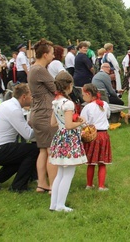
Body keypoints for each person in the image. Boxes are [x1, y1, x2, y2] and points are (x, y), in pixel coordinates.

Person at [0, 83, 39, 192]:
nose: (32, 99)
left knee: (20, 155)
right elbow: (28, 135)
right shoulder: (14, 110)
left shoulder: (8, 104)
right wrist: (40, 127)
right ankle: (18, 186)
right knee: (33, 150)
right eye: (31, 96)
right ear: (24, 97)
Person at [49, 71, 88, 212]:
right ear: (69, 85)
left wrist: (70, 121)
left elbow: (53, 123)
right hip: (69, 140)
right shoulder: (68, 103)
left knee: (60, 173)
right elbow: (69, 125)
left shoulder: (56, 102)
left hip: (60, 138)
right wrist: (80, 122)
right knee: (68, 174)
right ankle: (60, 205)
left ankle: (54, 204)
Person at [27, 39, 58, 194]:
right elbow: (55, 89)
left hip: (38, 114)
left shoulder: (33, 69)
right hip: (46, 114)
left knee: (43, 151)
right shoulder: (40, 70)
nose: (53, 56)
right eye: (52, 53)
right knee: (51, 150)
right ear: (45, 54)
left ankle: (42, 184)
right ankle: (53, 186)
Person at [80, 83, 112, 191]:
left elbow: (83, 122)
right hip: (103, 135)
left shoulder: (87, 107)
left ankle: (89, 185)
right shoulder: (104, 104)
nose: (82, 97)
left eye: (83, 95)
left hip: (92, 135)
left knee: (91, 162)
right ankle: (101, 186)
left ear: (88, 94)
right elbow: (108, 116)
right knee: (102, 162)